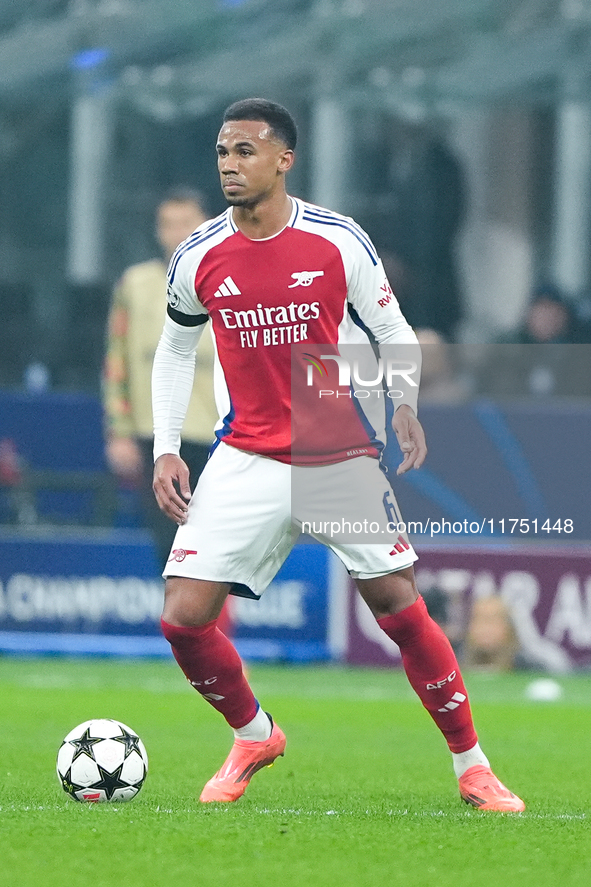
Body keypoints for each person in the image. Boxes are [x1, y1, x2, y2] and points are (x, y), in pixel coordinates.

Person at [151, 98, 524, 812]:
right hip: (245, 452)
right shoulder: (198, 254)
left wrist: (403, 404)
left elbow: (391, 328)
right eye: (223, 153)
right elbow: (174, 348)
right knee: (182, 616)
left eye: (246, 151)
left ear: (283, 159)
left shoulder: (336, 241)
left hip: (335, 449)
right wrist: (169, 447)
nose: (230, 165)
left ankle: (473, 767)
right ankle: (253, 733)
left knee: (397, 605)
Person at [103, 189, 218, 567]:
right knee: (169, 549)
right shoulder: (134, 285)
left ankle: (213, 625)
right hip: (155, 435)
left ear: (206, 225)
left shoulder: (229, 283)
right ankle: (179, 626)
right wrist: (119, 431)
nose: (177, 234)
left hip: (218, 436)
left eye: (186, 223)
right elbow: (116, 362)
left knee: (217, 545)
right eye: (168, 225)